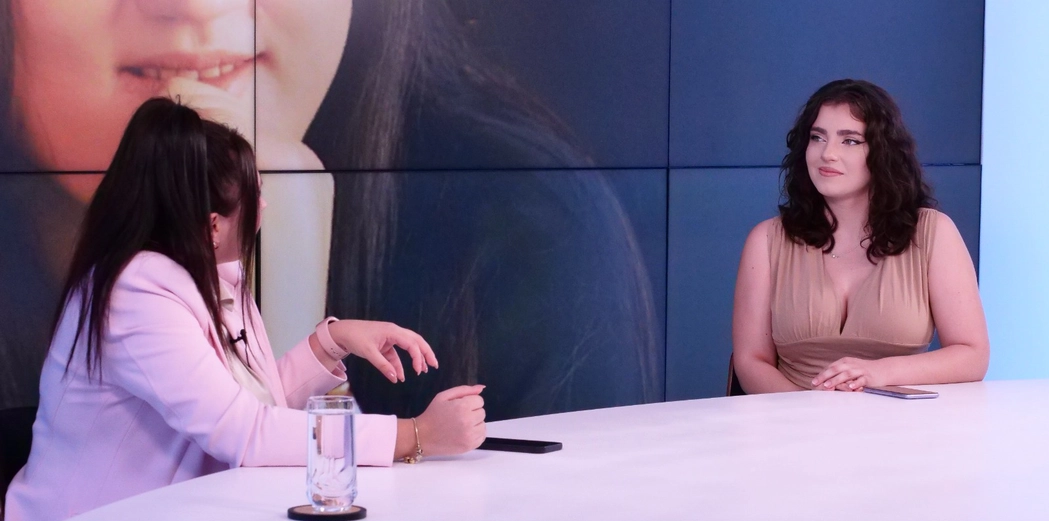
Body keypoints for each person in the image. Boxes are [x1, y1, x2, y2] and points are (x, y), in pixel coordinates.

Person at [0, 0, 659, 421]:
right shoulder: (139, 286)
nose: (196, 7)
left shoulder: (526, 230)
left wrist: (314, 321)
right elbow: (248, 449)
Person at [0, 98, 486, 521]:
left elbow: (251, 404)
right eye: (257, 196)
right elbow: (244, 432)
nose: (266, 208)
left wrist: (332, 341)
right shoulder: (137, 292)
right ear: (213, 225)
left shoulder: (208, 274)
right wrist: (415, 435)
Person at [732, 79, 989, 393]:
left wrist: (879, 372)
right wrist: (805, 414)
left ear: (882, 152)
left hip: (898, 421)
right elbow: (751, 361)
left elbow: (972, 355)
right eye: (817, 137)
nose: (828, 154)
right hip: (790, 417)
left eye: (850, 141)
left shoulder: (934, 232)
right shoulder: (766, 240)